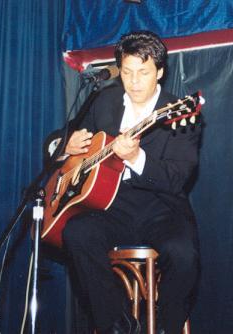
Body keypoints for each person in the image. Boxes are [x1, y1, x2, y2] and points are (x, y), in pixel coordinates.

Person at [60, 31, 201, 334]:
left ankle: (165, 327)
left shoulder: (180, 112)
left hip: (161, 208)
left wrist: (137, 158)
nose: (134, 81)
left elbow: (178, 177)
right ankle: (119, 326)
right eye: (127, 72)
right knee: (76, 233)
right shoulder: (104, 100)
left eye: (144, 72)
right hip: (111, 206)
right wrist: (63, 146)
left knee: (184, 254)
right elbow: (65, 138)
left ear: (160, 72)